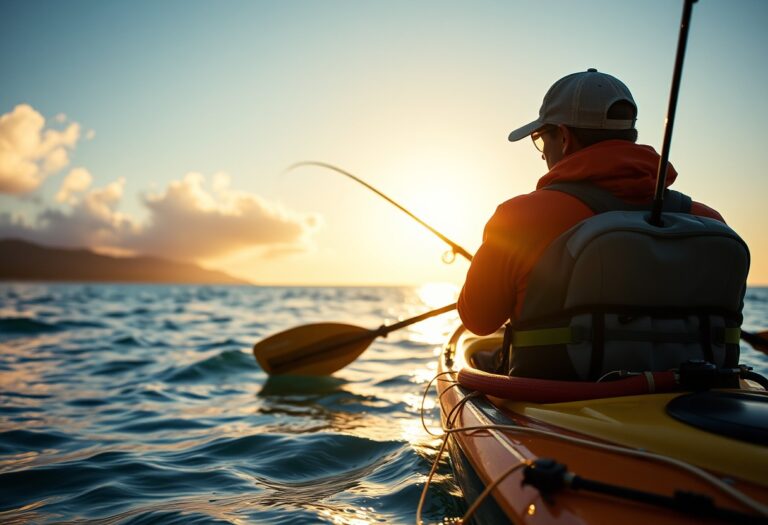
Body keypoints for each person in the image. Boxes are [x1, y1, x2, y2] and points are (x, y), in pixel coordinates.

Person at [457, 68, 748, 380]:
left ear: (564, 137)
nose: (542, 155)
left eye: (541, 139)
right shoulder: (709, 220)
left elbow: (479, 320)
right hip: (697, 401)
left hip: (557, 403)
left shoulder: (520, 218)